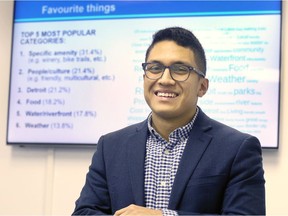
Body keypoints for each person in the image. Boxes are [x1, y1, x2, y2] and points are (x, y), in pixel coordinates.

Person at [72, 27, 265, 215]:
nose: (165, 79)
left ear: (202, 87)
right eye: (155, 68)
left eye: (180, 69)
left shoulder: (237, 148)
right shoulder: (111, 146)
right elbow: (85, 212)